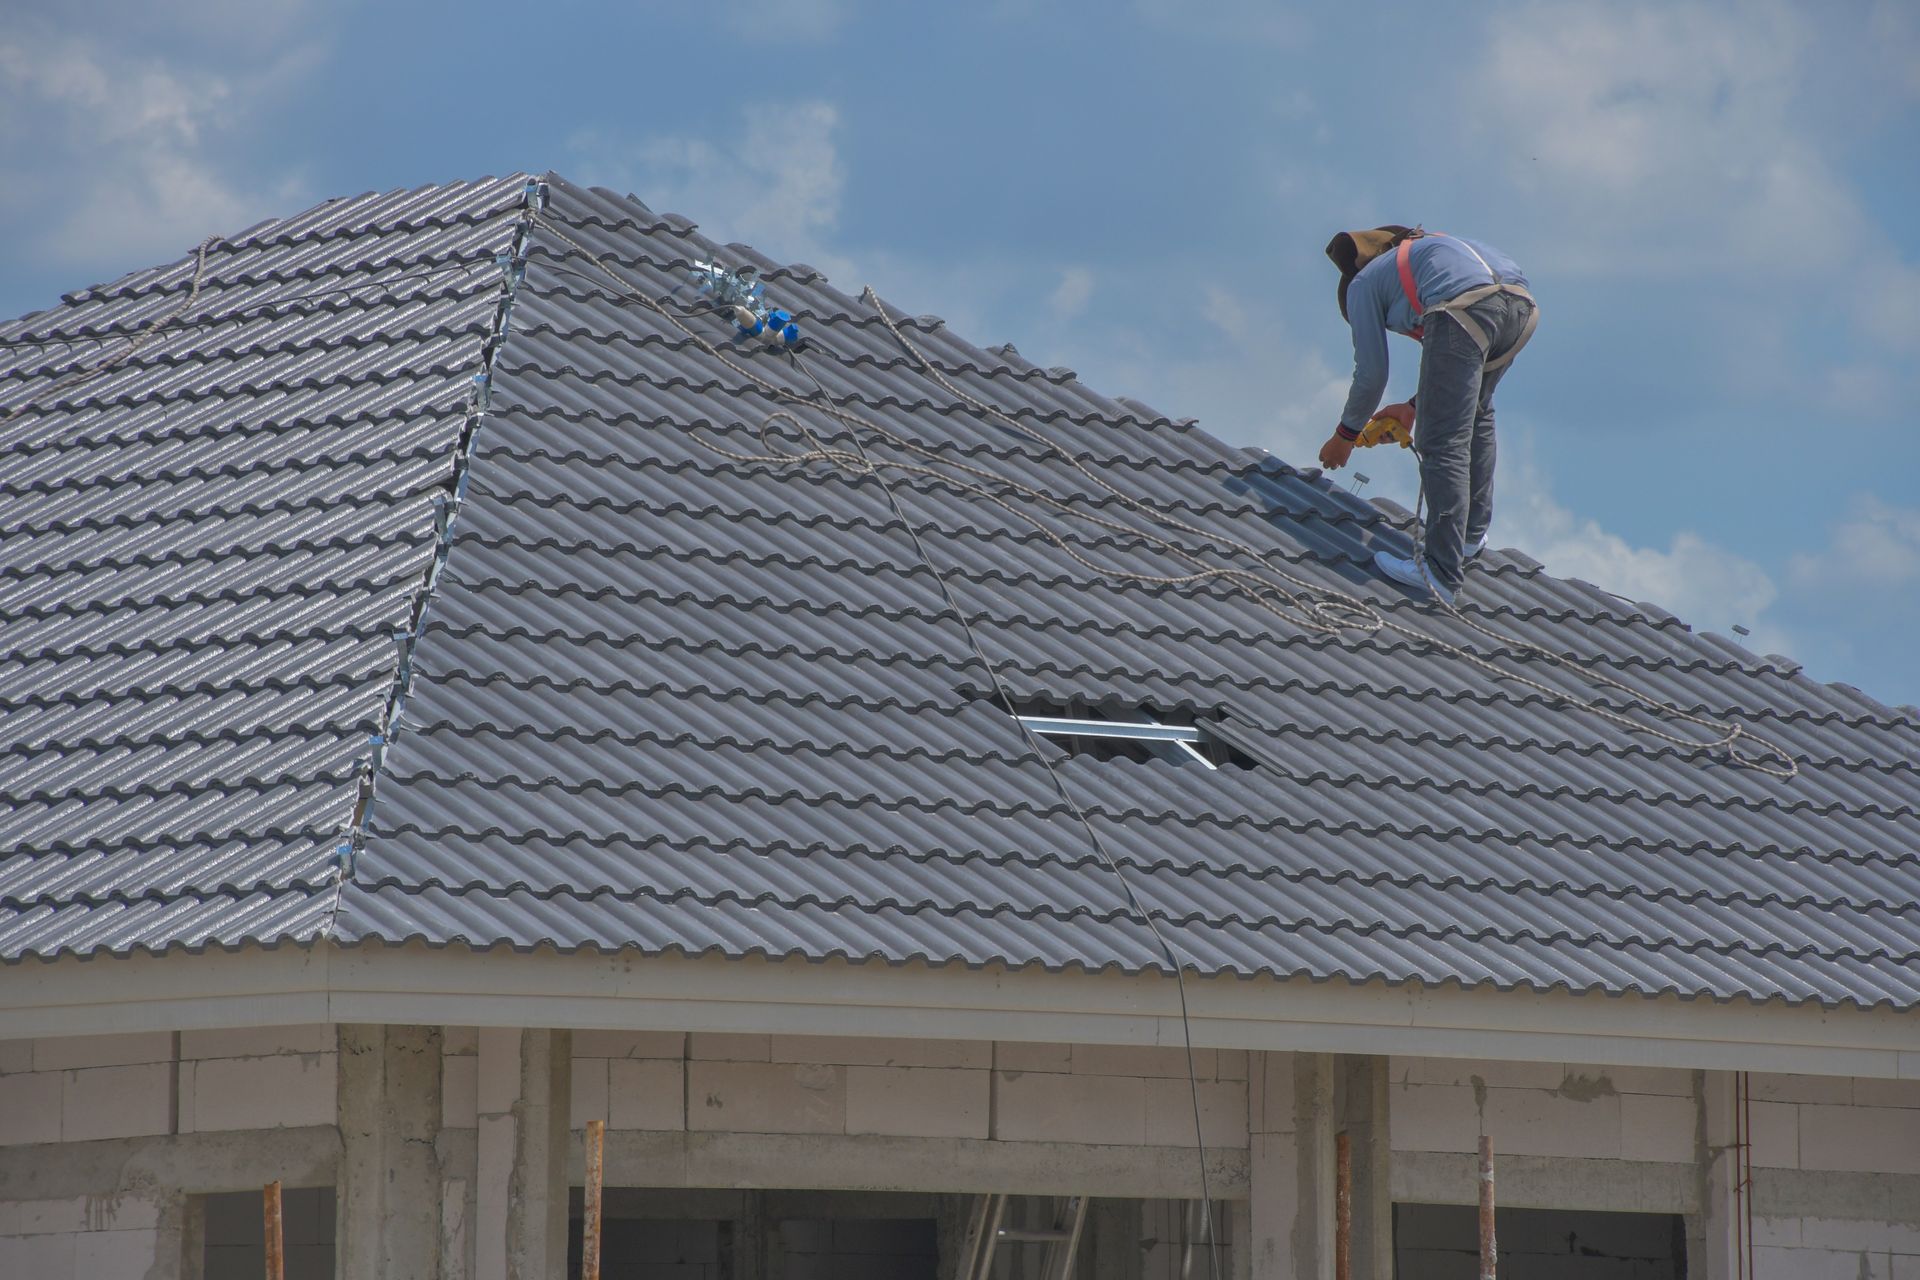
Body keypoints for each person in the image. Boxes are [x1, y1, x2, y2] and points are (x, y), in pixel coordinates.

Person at [1317, 226, 1537, 606]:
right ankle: (1469, 539)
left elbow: (1371, 375)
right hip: (1520, 310)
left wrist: (1345, 436)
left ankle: (1440, 572)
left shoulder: (1363, 285)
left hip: (1464, 309)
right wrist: (1414, 407)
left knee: (1440, 440)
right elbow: (1458, 379)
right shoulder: (1433, 253)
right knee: (1477, 414)